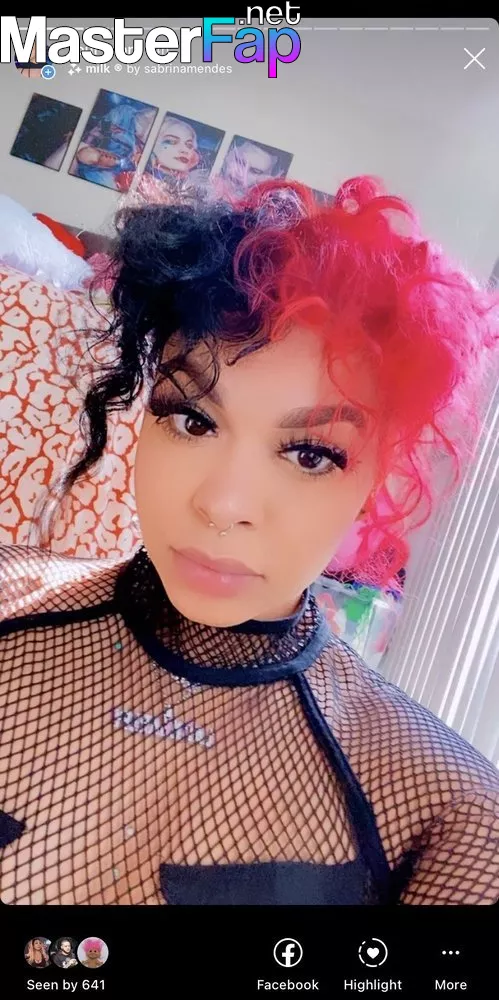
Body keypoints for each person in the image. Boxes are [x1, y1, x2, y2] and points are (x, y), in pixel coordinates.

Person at [0, 176, 498, 906]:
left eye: (309, 454)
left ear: (379, 479)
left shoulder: (449, 813)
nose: (222, 505)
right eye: (192, 420)